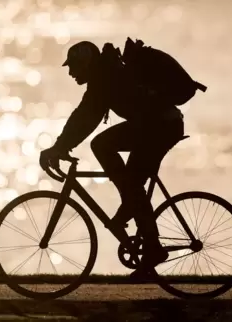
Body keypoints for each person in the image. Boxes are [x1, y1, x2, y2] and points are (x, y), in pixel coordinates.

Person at [39, 40, 186, 280]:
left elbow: (85, 118)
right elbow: (84, 117)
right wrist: (61, 146)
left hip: (160, 127)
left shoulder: (105, 78)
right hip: (156, 126)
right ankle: (145, 241)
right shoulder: (106, 74)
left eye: (74, 66)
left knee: (103, 147)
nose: (71, 72)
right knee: (131, 184)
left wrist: (59, 147)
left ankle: (151, 245)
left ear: (86, 63)